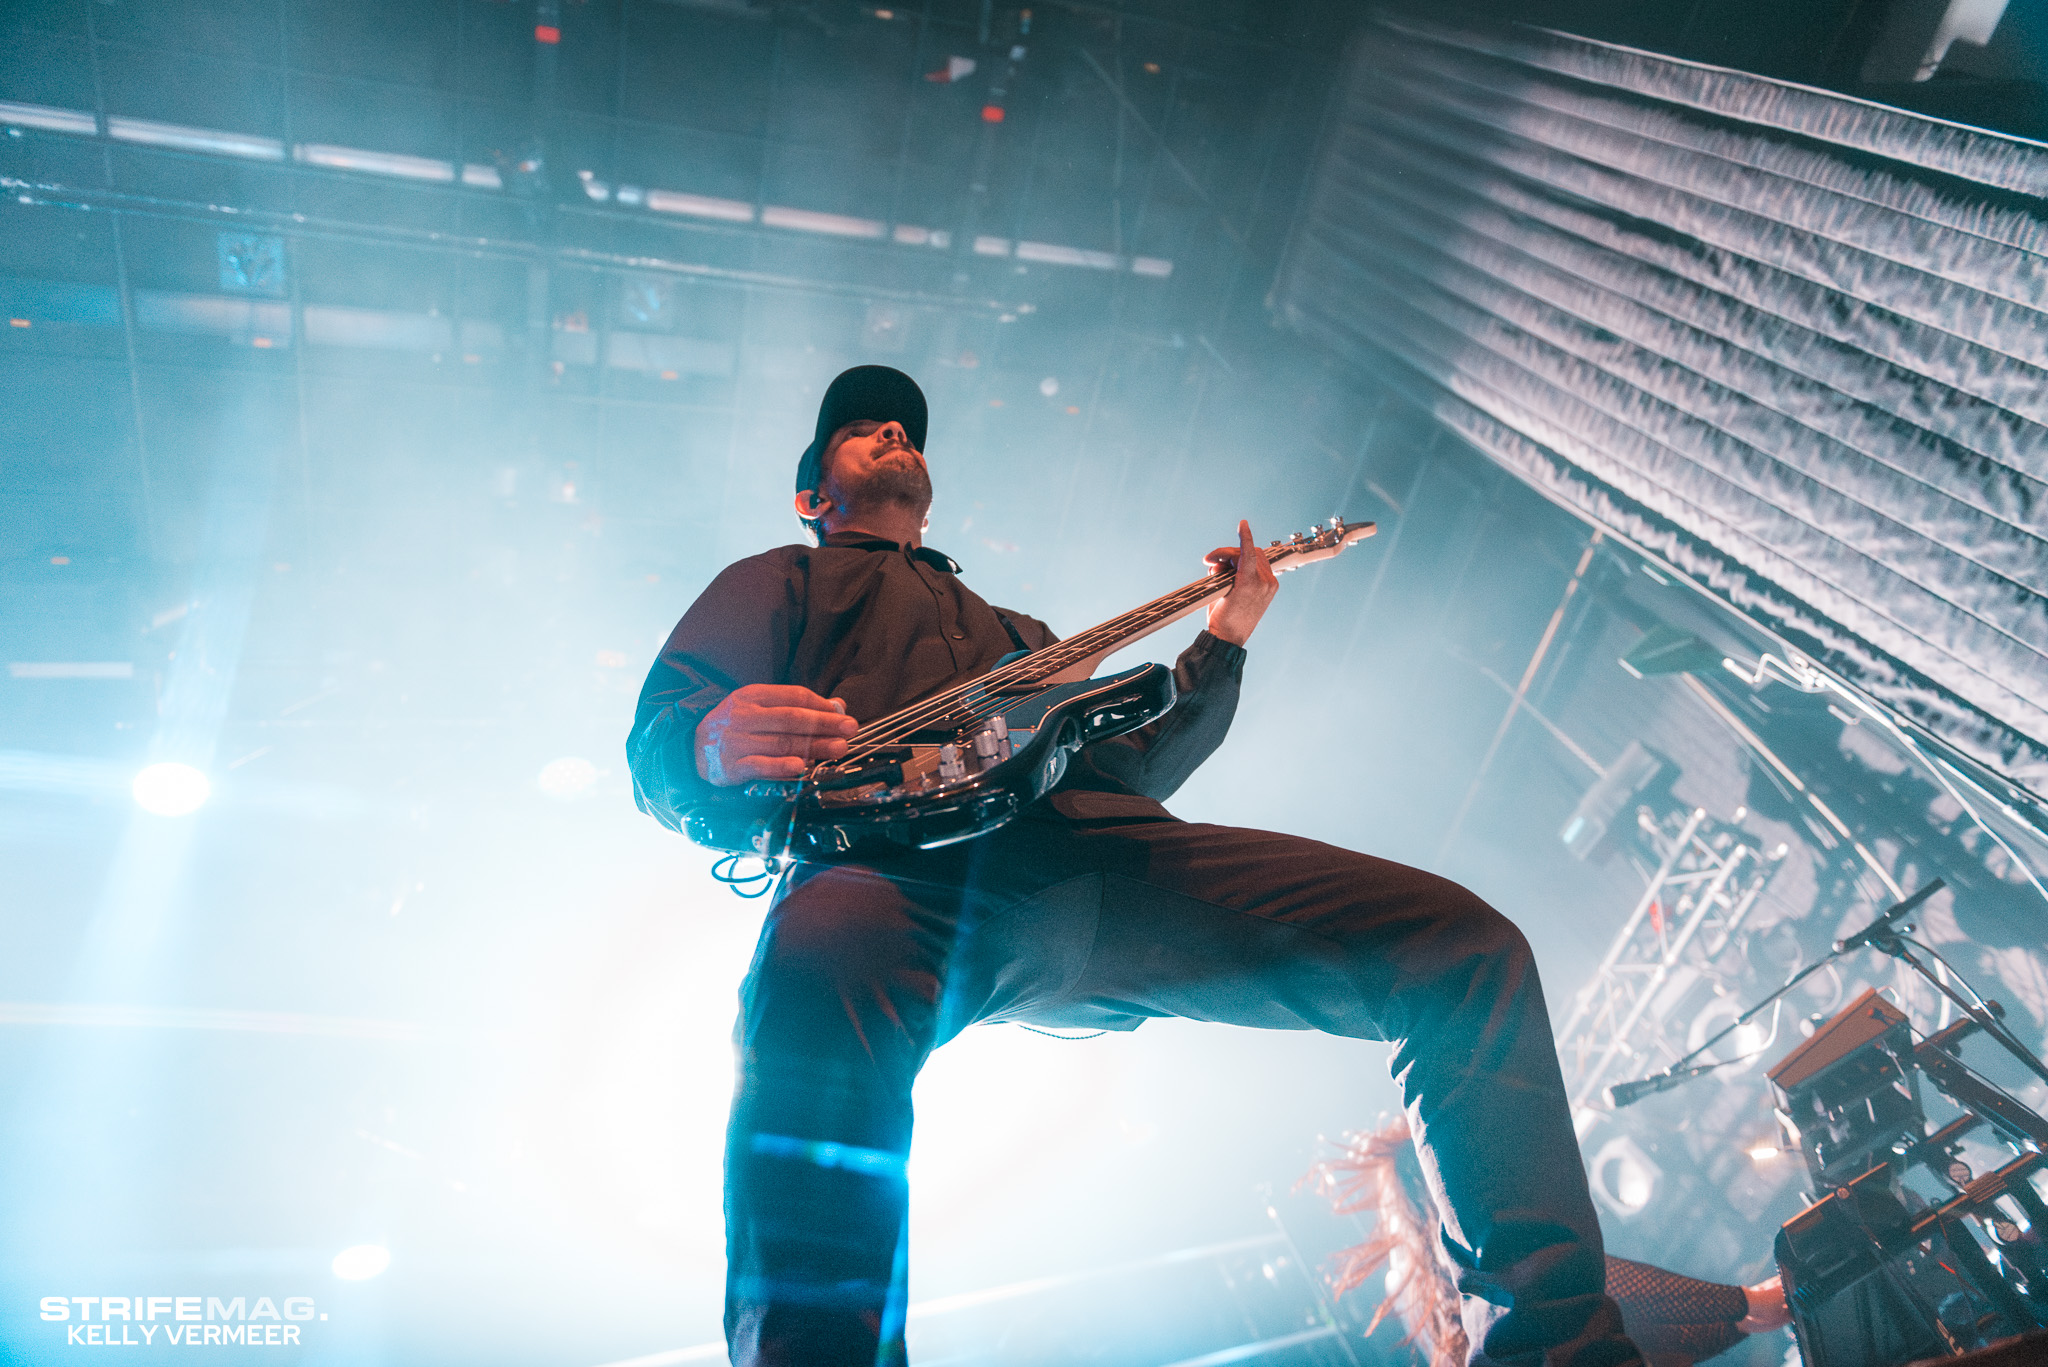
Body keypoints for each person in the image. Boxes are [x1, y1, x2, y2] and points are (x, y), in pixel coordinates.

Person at [627, 365, 1645, 1367]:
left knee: (1460, 948)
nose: (893, 429)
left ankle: (1556, 1350)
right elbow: (662, 740)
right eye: (862, 430)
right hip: (896, 880)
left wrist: (1226, 635)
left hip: (1097, 855)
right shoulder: (778, 580)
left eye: (904, 425)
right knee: (805, 988)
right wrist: (702, 747)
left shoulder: (1020, 638)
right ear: (812, 494)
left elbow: (1136, 760)